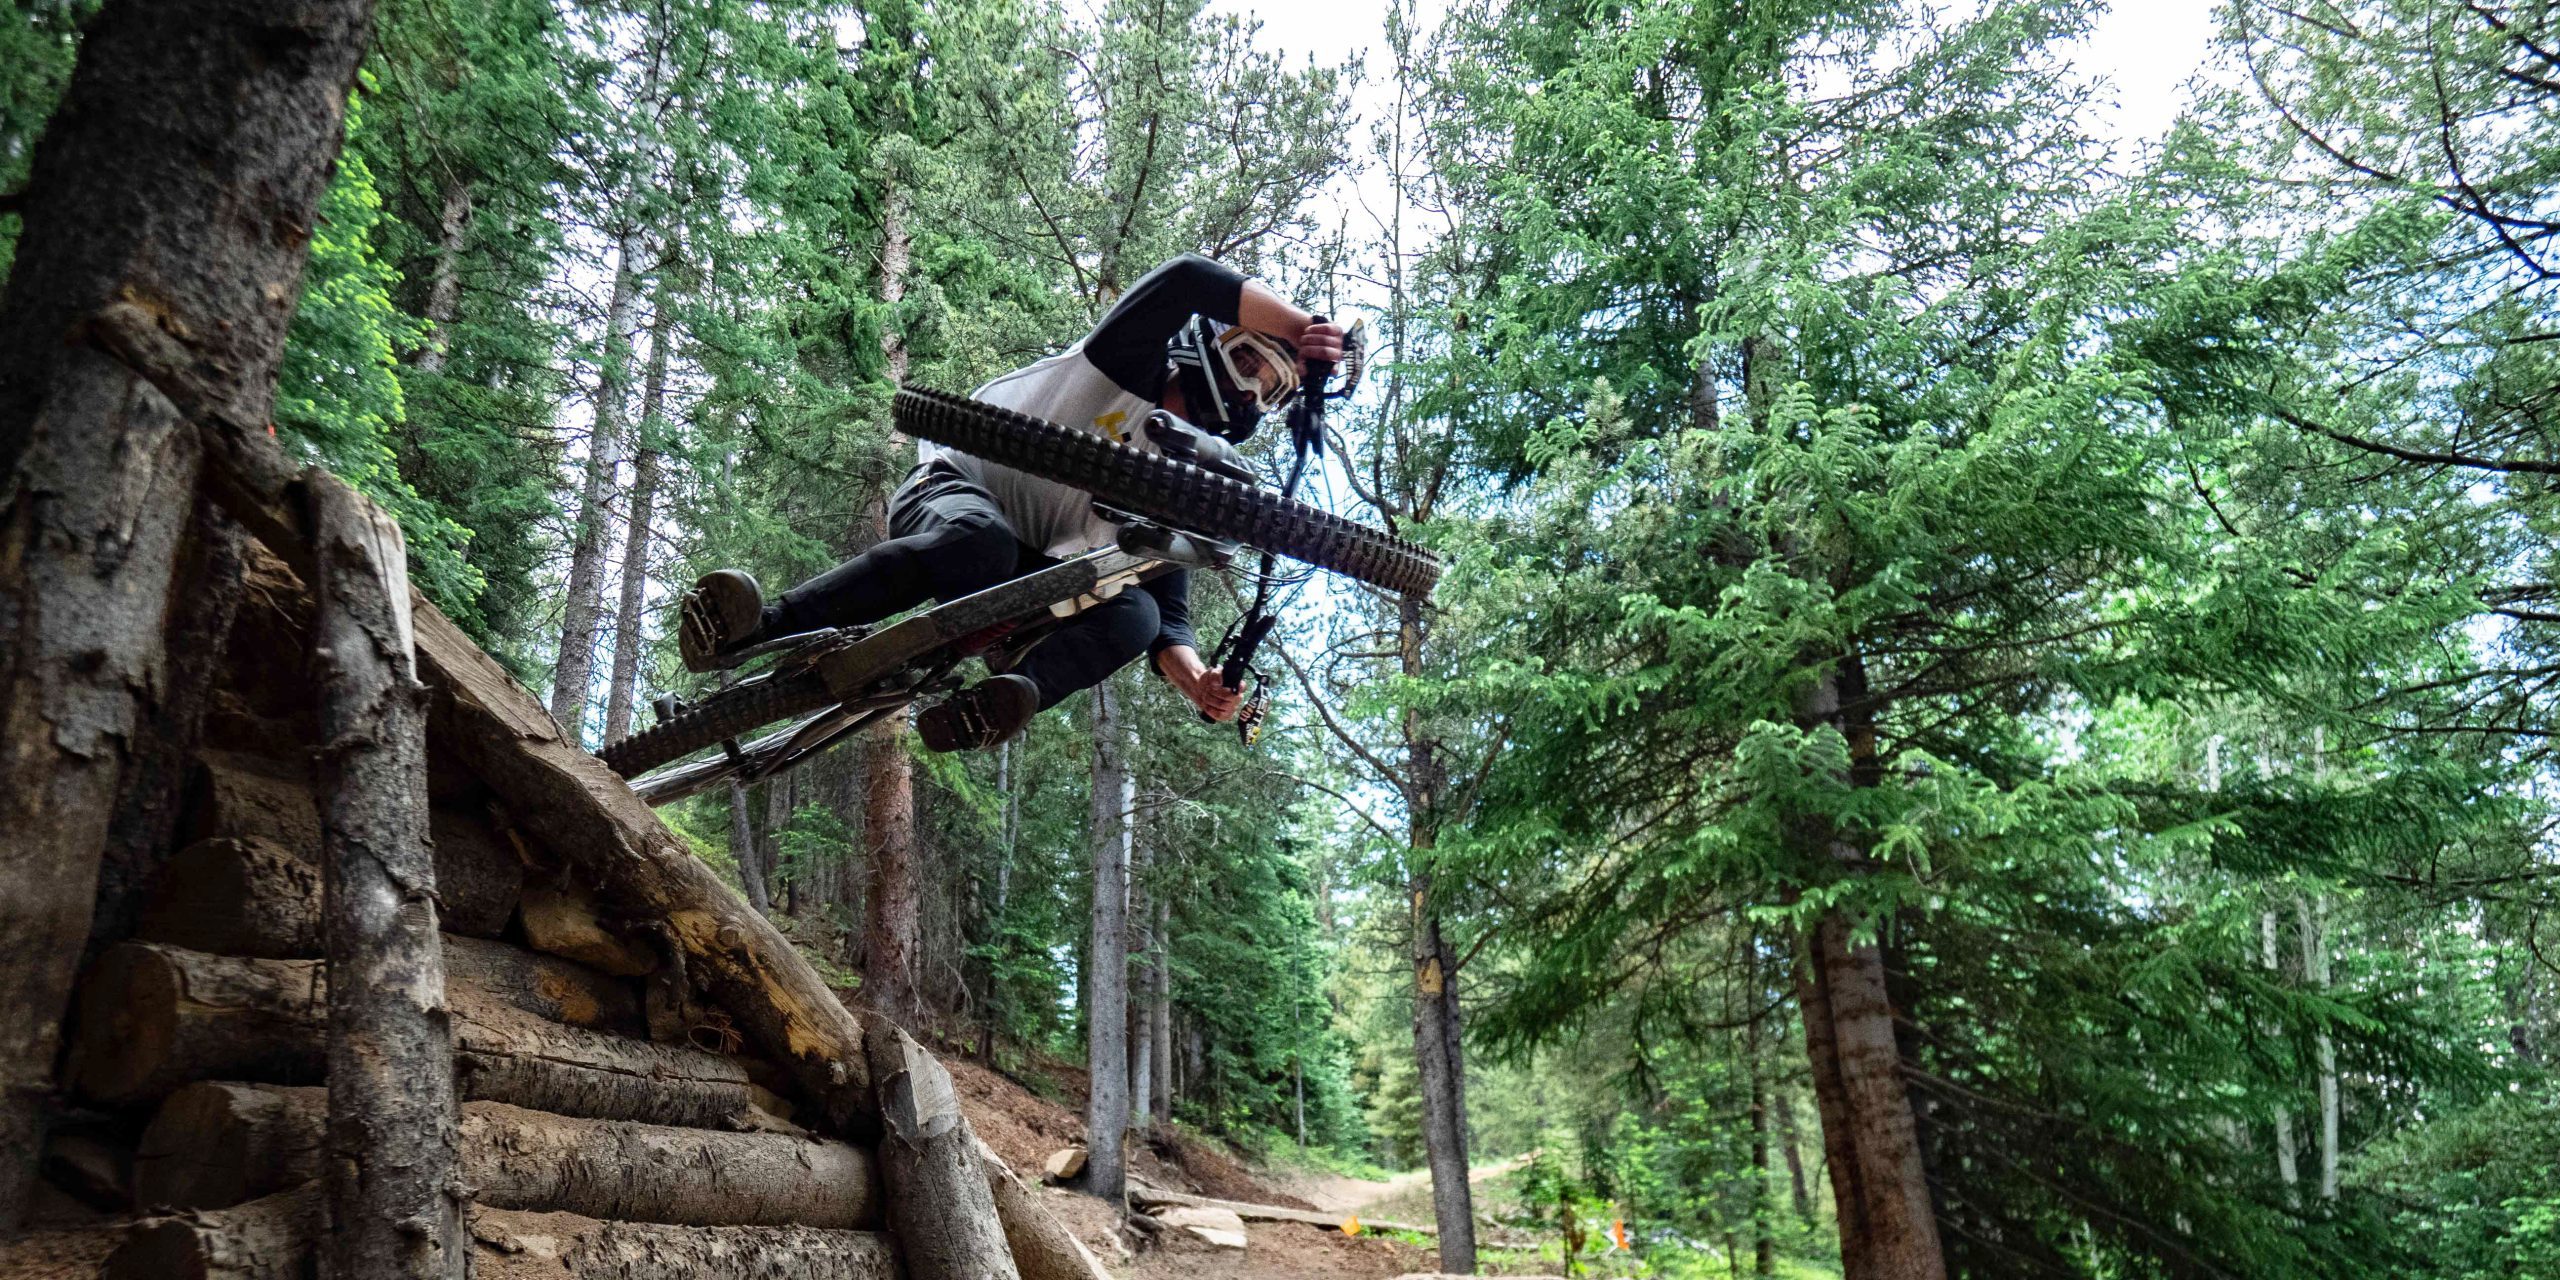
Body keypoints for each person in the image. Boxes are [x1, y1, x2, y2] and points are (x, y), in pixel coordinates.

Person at [676, 253, 1347, 752]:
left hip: (1027, 582)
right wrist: (1304, 327)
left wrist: (1199, 681)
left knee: (1135, 611)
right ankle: (755, 628)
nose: (1252, 391)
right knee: (981, 541)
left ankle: (1005, 700)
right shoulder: (1125, 359)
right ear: (1215, 340)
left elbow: (1167, 622)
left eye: (1274, 391)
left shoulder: (1184, 484)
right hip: (957, 491)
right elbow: (1187, 281)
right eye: (1253, 362)